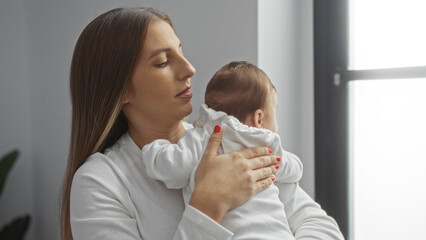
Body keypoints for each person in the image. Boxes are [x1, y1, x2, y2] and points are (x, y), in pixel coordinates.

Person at [60, 7, 344, 240]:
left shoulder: (229, 139)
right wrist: (208, 205)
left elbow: (324, 229)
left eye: (181, 51)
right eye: (162, 62)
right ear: (121, 90)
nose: (189, 69)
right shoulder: (101, 180)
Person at [142, 61, 303, 239]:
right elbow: (294, 169)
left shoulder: (203, 138)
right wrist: (290, 162)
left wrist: (154, 148)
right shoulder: (267, 144)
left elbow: (171, 167)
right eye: (162, 62)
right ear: (259, 118)